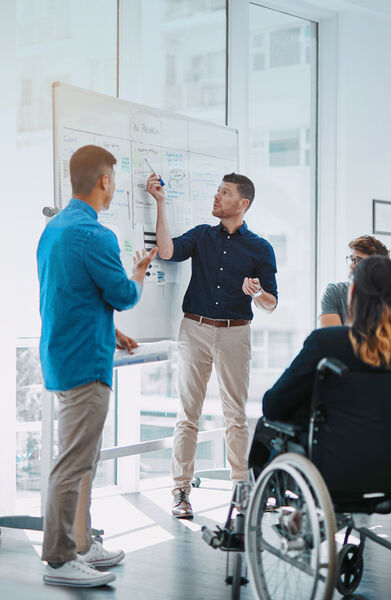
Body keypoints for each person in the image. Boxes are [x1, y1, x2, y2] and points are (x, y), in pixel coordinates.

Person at [38, 145, 157, 587]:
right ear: (104, 180)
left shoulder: (55, 229)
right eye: (114, 178)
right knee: (73, 462)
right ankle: (60, 558)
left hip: (64, 352)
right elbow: (123, 295)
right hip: (85, 362)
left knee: (81, 460)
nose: (115, 186)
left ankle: (82, 543)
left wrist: (114, 333)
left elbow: (71, 296)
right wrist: (140, 272)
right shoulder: (96, 236)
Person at [146, 172, 278, 519]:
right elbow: (168, 250)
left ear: (243, 203)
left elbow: (271, 302)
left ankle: (242, 490)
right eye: (217, 191)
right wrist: (160, 203)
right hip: (195, 329)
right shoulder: (203, 236)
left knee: (235, 415)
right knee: (187, 414)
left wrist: (257, 293)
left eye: (225, 192)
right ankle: (180, 491)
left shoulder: (260, 248)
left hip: (236, 332)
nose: (217, 197)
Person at [261, 255, 391, 430]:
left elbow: (274, 406)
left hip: (336, 453)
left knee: (266, 429)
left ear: (352, 290)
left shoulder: (325, 342)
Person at [319, 234, 391, 346]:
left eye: (358, 261)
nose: (351, 266)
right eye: (352, 259)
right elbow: (333, 344)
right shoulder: (334, 293)